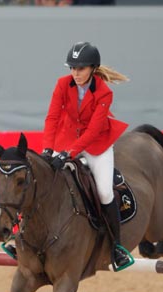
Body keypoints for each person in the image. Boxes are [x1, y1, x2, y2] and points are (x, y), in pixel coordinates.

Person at [41, 41, 134, 271]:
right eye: (72, 68)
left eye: (80, 69)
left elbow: (93, 131)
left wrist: (68, 154)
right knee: (42, 179)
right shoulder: (62, 84)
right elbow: (52, 118)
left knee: (104, 192)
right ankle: (22, 238)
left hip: (96, 145)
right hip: (67, 139)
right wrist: (47, 148)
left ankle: (116, 247)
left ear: (93, 68)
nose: (75, 73)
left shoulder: (104, 92)